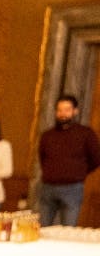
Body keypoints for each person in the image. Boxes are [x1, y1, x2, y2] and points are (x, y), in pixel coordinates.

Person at [37, 94, 100, 226]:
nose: (63, 114)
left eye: (67, 110)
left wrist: (79, 171)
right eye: (60, 110)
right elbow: (42, 159)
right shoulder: (47, 135)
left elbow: (96, 159)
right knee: (42, 228)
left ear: (75, 111)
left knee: (68, 229)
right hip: (48, 188)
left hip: (72, 188)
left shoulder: (86, 133)